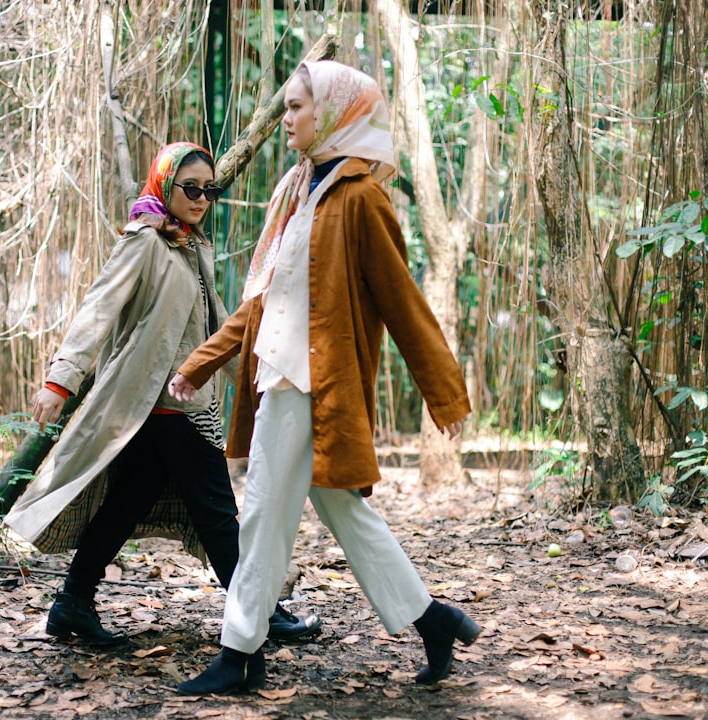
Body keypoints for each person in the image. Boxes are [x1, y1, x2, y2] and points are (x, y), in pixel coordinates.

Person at [168, 62, 479, 695]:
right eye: (286, 107)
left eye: (298, 107)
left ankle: (240, 653)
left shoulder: (362, 198)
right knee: (343, 513)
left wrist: (442, 391)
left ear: (333, 113)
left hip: (315, 386)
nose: (287, 118)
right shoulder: (299, 191)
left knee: (259, 516)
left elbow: (401, 298)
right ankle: (432, 619)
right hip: (281, 378)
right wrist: (202, 362)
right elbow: (265, 302)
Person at [2, 142, 322, 647]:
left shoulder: (191, 246)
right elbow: (98, 307)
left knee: (127, 503)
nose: (201, 199)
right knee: (218, 514)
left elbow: (216, 332)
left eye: (209, 190)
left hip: (179, 402)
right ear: (165, 185)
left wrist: (265, 383)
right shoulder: (145, 242)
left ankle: (71, 604)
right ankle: (260, 614)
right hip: (166, 404)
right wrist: (59, 380)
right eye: (190, 188)